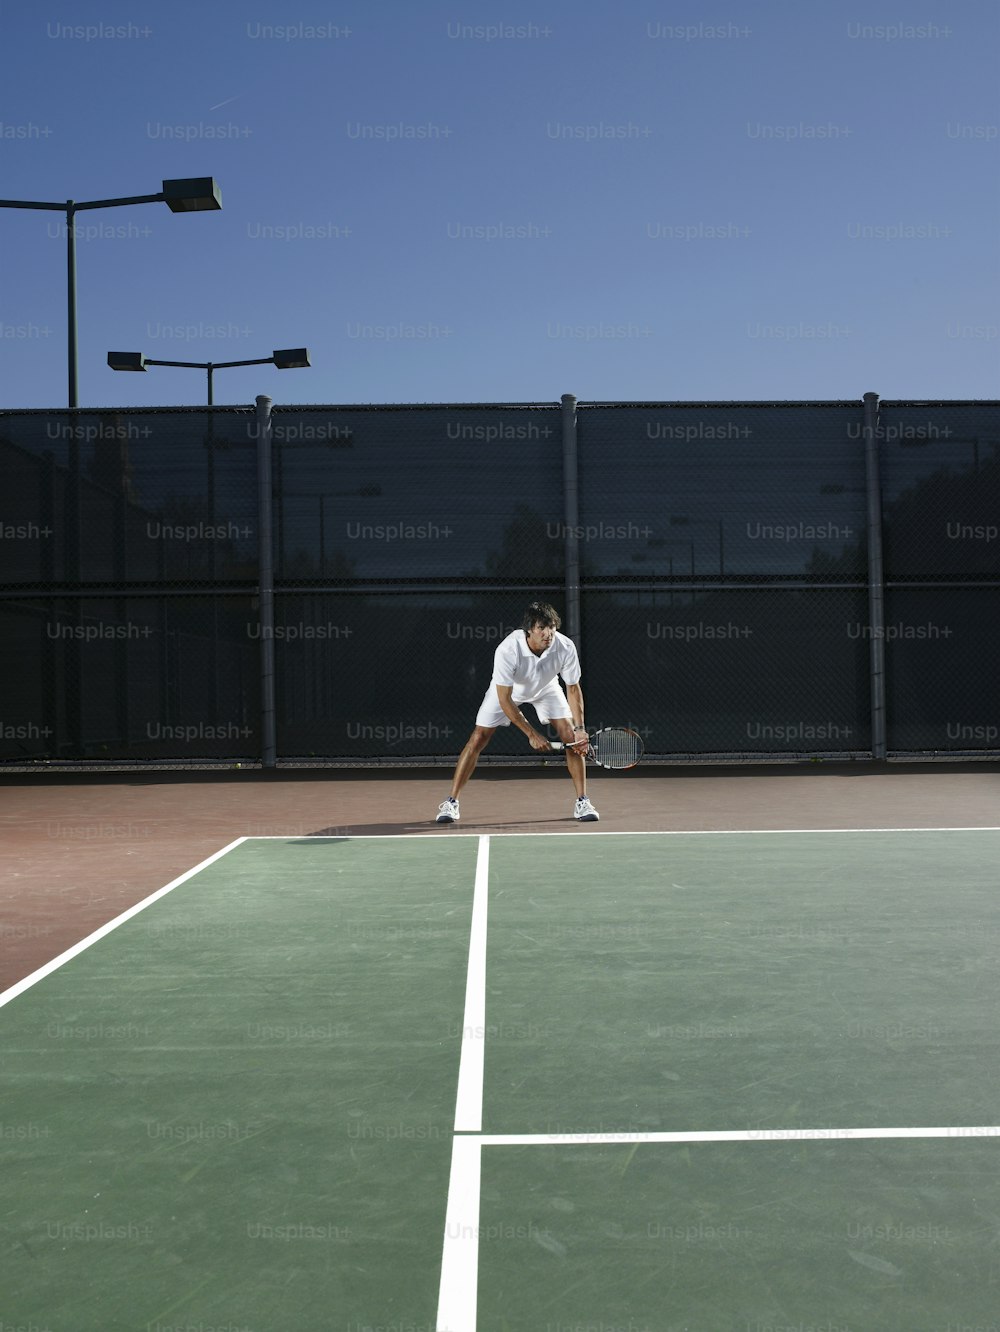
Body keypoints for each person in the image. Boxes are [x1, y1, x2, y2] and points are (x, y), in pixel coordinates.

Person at [435, 601, 600, 823]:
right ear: (529, 628)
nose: (548, 633)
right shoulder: (508, 649)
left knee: (571, 738)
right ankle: (451, 802)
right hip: (508, 690)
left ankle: (583, 801)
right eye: (542, 627)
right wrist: (531, 733)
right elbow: (504, 699)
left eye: (551, 627)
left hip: (546, 687)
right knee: (478, 738)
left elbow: (573, 688)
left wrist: (580, 730)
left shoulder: (565, 646)